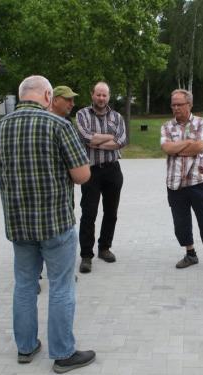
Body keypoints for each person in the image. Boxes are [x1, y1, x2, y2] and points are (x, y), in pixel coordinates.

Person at [0, 75, 96, 373]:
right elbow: (82, 176)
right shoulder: (59, 126)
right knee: (61, 286)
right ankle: (63, 353)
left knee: (24, 285)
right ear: (48, 95)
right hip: (55, 223)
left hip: (19, 223)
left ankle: (25, 347)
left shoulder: (1, 127)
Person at [160, 89, 203, 273]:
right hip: (174, 183)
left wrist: (178, 148)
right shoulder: (166, 126)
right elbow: (166, 148)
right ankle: (190, 254)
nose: (176, 108)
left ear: (189, 104)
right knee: (181, 222)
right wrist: (188, 144)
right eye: (173, 104)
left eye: (180, 104)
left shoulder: (201, 123)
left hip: (198, 181)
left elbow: (200, 146)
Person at [75, 81, 127, 273]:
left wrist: (97, 142)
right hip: (91, 171)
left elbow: (121, 141)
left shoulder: (117, 117)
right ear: (92, 94)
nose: (101, 98)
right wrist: (108, 138)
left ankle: (105, 248)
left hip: (113, 170)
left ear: (109, 96)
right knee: (89, 213)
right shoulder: (82, 115)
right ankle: (86, 255)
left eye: (104, 95)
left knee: (111, 212)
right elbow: (85, 138)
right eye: (98, 94)